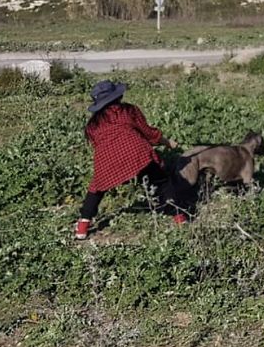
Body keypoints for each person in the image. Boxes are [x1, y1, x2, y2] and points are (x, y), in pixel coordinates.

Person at [75, 79, 186, 240]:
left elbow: (96, 143)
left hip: (106, 159)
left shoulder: (92, 124)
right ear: (118, 97)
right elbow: (148, 133)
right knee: (161, 181)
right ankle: (179, 217)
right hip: (136, 152)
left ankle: (82, 228)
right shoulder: (128, 110)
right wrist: (168, 142)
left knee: (96, 189)